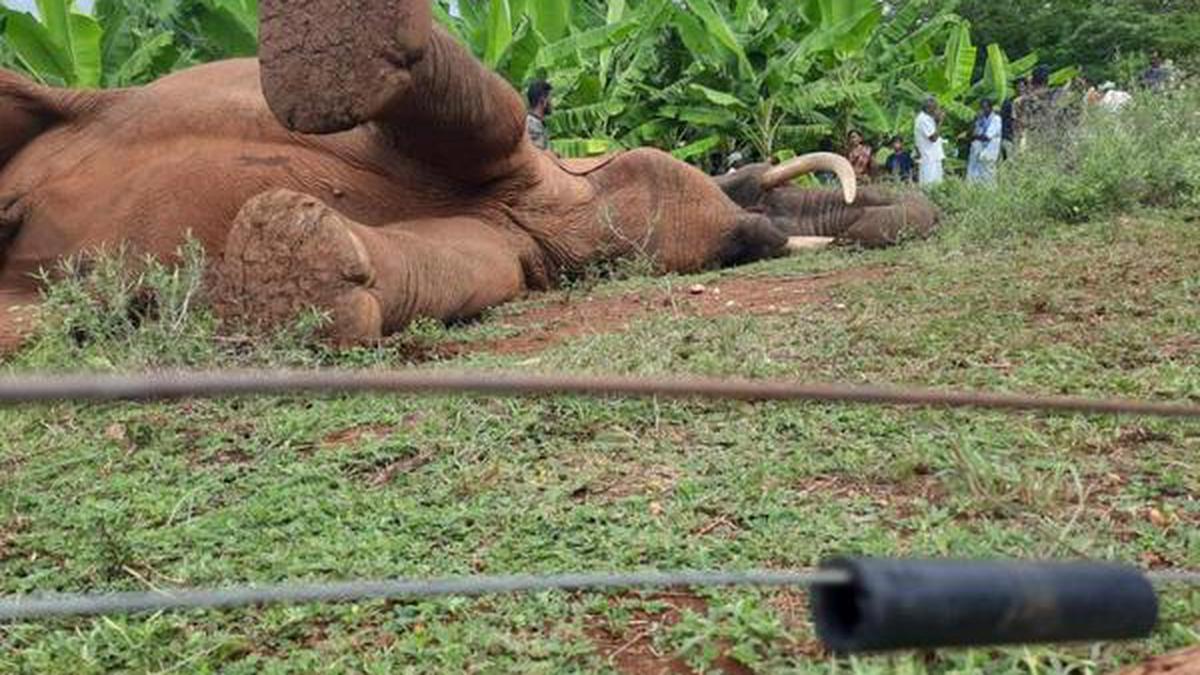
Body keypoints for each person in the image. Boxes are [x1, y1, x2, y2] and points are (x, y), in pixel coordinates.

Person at [967, 98, 1003, 184]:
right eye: (982, 108)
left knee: (988, 172)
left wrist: (974, 137)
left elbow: (987, 137)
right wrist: (975, 119)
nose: (983, 110)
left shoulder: (996, 119)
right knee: (977, 172)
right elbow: (970, 133)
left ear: (990, 108)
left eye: (985, 107)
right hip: (980, 150)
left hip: (990, 149)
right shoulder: (980, 119)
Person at [914, 97, 944, 187]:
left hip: (932, 156)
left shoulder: (927, 118)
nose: (936, 111)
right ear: (928, 108)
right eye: (934, 108)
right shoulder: (924, 120)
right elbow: (933, 138)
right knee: (929, 184)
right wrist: (940, 122)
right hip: (929, 157)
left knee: (936, 183)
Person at [525, 79, 553, 150]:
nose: (552, 103)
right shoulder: (532, 124)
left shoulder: (536, 122)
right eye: (550, 98)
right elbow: (538, 154)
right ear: (543, 100)